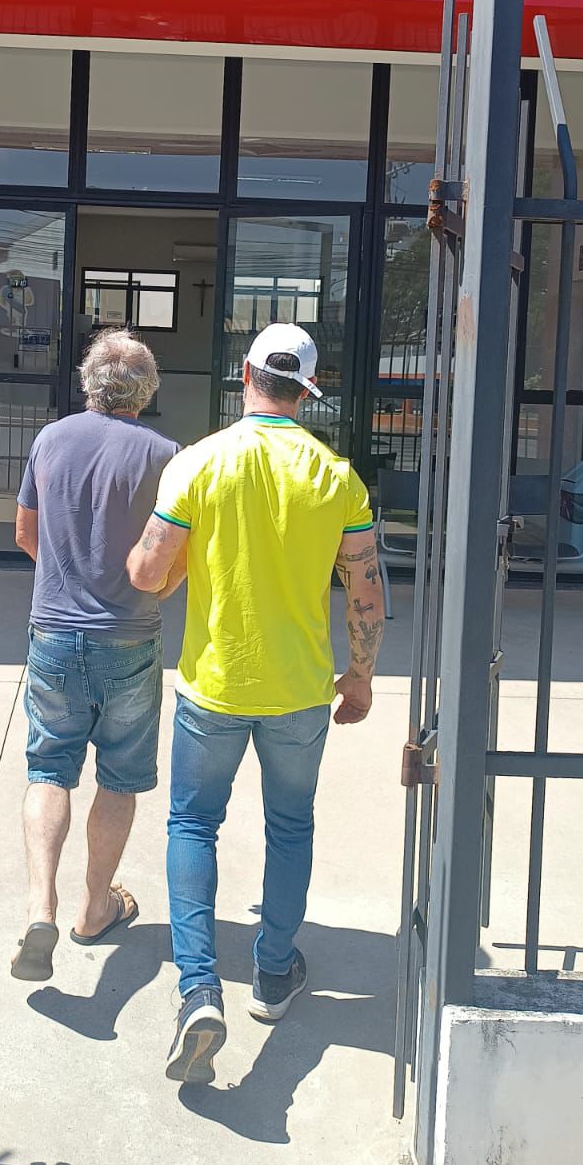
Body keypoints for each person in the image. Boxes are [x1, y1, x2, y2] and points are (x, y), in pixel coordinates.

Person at [127, 323, 384, 1084]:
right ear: (307, 390)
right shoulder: (337, 478)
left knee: (192, 824)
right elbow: (366, 593)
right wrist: (360, 676)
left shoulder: (197, 463)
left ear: (244, 375)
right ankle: (273, 973)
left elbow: (146, 573)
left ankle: (199, 990)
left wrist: (173, 563)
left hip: (213, 686)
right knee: (290, 826)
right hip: (300, 693)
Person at [10, 328, 184, 983]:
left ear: (88, 381)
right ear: (148, 388)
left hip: (54, 631)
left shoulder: (50, 440)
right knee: (120, 776)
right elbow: (174, 554)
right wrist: (153, 589)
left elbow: (25, 533)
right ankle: (94, 908)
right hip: (129, 635)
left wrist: (65, 577)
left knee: (48, 768)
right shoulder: (166, 456)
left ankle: (40, 908)